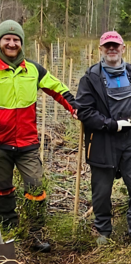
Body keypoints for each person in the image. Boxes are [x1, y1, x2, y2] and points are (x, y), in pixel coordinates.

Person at [0, 20, 77, 252]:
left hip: (27, 144)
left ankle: (34, 234)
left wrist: (74, 106)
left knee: (35, 189)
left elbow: (56, 88)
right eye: (7, 39)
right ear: (0, 42)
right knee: (2, 189)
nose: (11, 43)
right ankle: (9, 232)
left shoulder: (33, 69)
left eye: (16, 40)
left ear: (21, 43)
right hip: (1, 144)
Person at [76, 31, 131, 249]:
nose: (112, 49)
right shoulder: (90, 78)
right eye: (107, 46)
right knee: (101, 191)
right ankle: (103, 230)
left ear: (123, 48)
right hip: (102, 141)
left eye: (115, 45)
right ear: (101, 49)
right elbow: (84, 112)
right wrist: (111, 124)